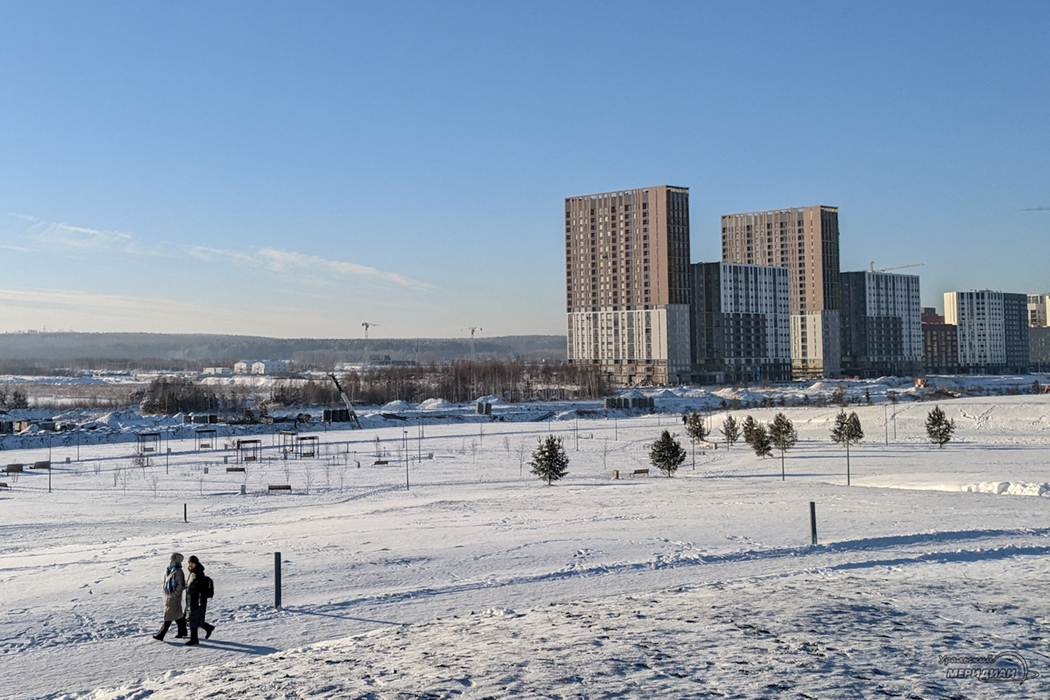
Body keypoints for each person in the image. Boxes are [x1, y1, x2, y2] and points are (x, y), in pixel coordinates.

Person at [153, 553, 188, 641]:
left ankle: (161, 635)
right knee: (177, 615)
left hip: (174, 597)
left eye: (172, 559)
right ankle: (183, 631)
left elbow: (181, 585)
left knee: (168, 617)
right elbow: (166, 581)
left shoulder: (178, 571)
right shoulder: (170, 570)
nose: (170, 560)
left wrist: (175, 594)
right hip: (169, 596)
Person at [184, 555, 215, 645]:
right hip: (190, 599)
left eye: (192, 563)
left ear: (196, 563)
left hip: (196, 600)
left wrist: (200, 602)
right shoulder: (191, 573)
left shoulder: (199, 574)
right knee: (193, 619)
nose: (190, 564)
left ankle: (194, 639)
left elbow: (202, 590)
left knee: (193, 620)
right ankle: (208, 628)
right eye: (189, 563)